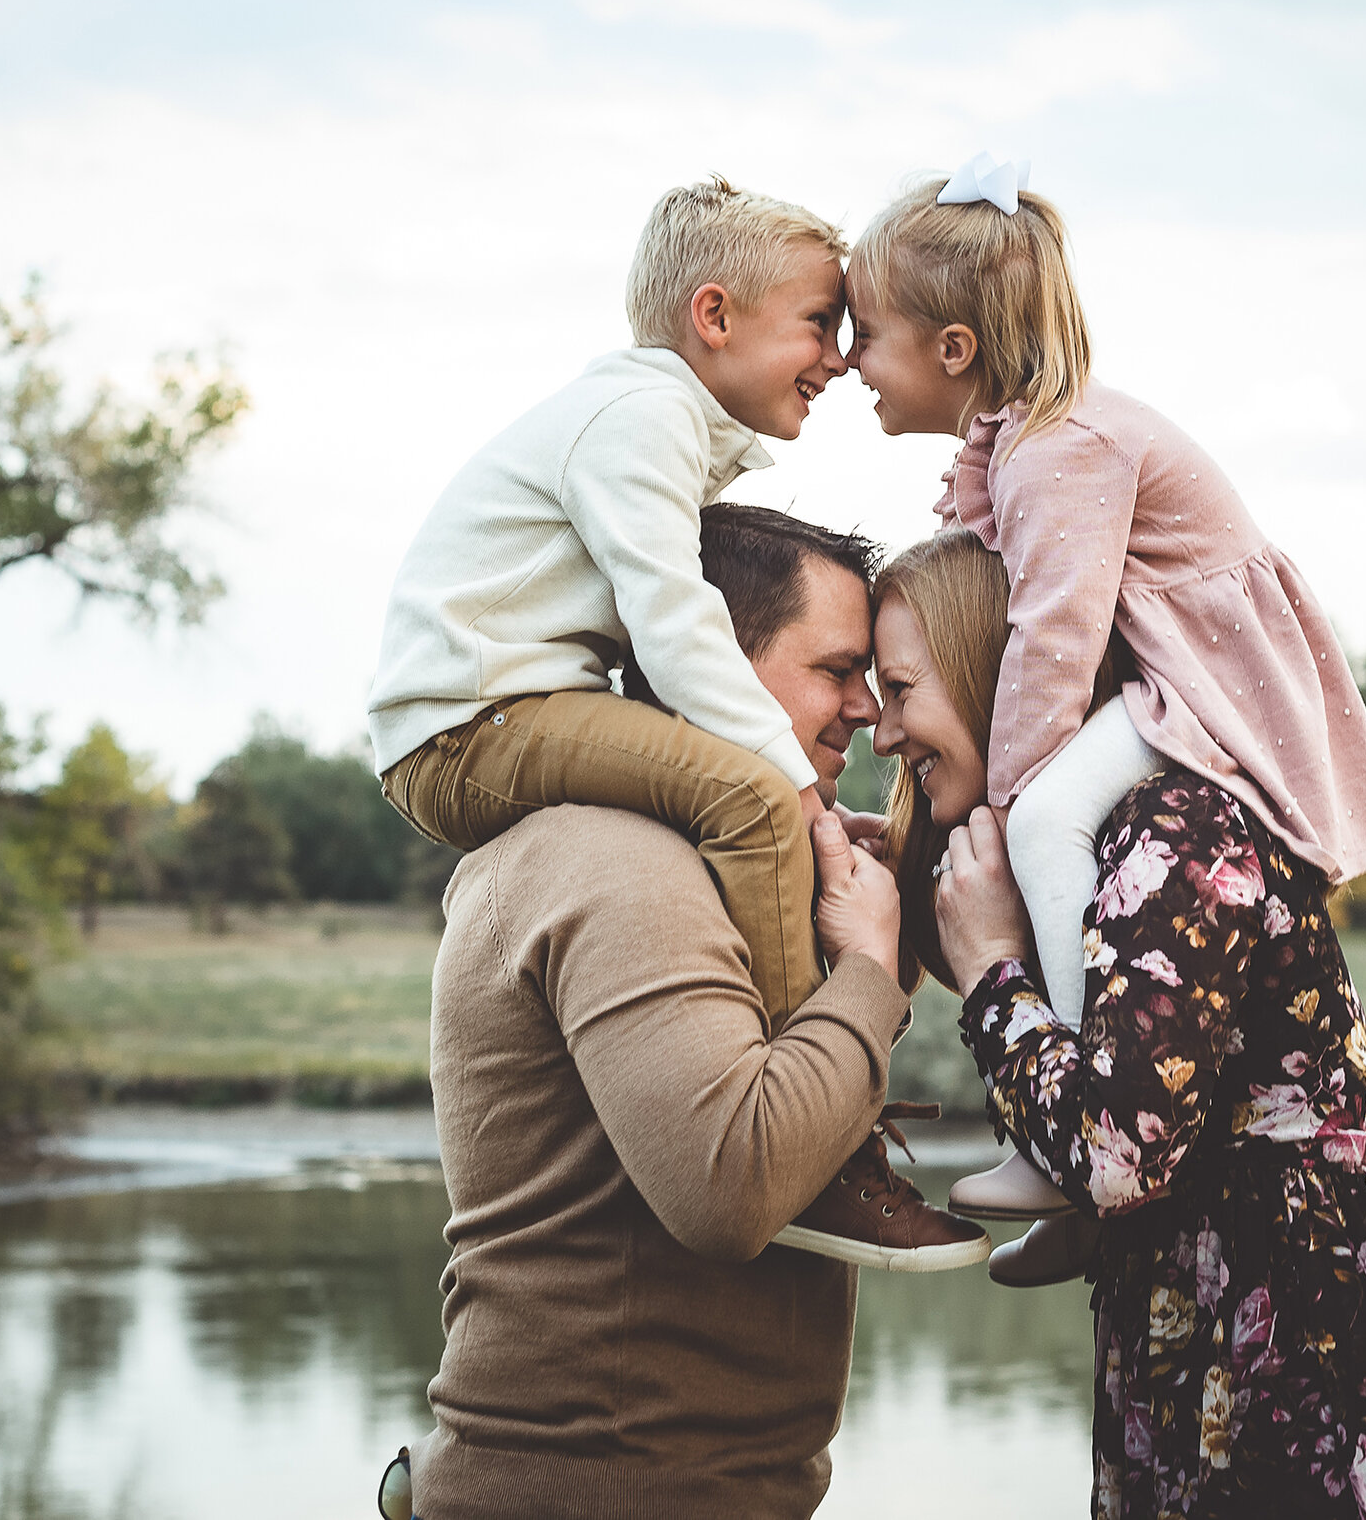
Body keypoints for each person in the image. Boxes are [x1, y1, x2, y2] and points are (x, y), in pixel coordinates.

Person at [366, 178, 965, 1264]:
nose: (836, 356)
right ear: (713, 315)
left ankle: (819, 1092)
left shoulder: (657, 423)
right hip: (469, 722)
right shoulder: (640, 417)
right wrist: (785, 780)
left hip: (513, 706)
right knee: (745, 788)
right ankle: (821, 1149)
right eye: (819, 324)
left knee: (750, 795)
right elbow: (674, 616)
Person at [872, 528, 1366, 1520]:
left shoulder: (1170, 822)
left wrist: (994, 983)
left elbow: (1118, 1152)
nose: (882, 732)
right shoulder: (1101, 845)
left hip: (1306, 1382)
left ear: (995, 672)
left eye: (900, 688)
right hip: (1218, 1357)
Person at [845, 157, 1366, 1270]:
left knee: (1048, 811)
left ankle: (1062, 1147)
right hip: (1216, 1345)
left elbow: (1047, 644)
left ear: (951, 348)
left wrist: (1008, 810)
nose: (847, 357)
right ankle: (1070, 1189)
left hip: (1209, 671)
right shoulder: (1029, 441)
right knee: (1052, 812)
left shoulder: (1059, 451)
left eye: (864, 333)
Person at [388, 505, 989, 1520]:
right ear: (704, 656)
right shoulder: (614, 862)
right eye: (835, 670)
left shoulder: (709, 859)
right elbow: (734, 1184)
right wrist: (867, 969)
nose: (862, 710)